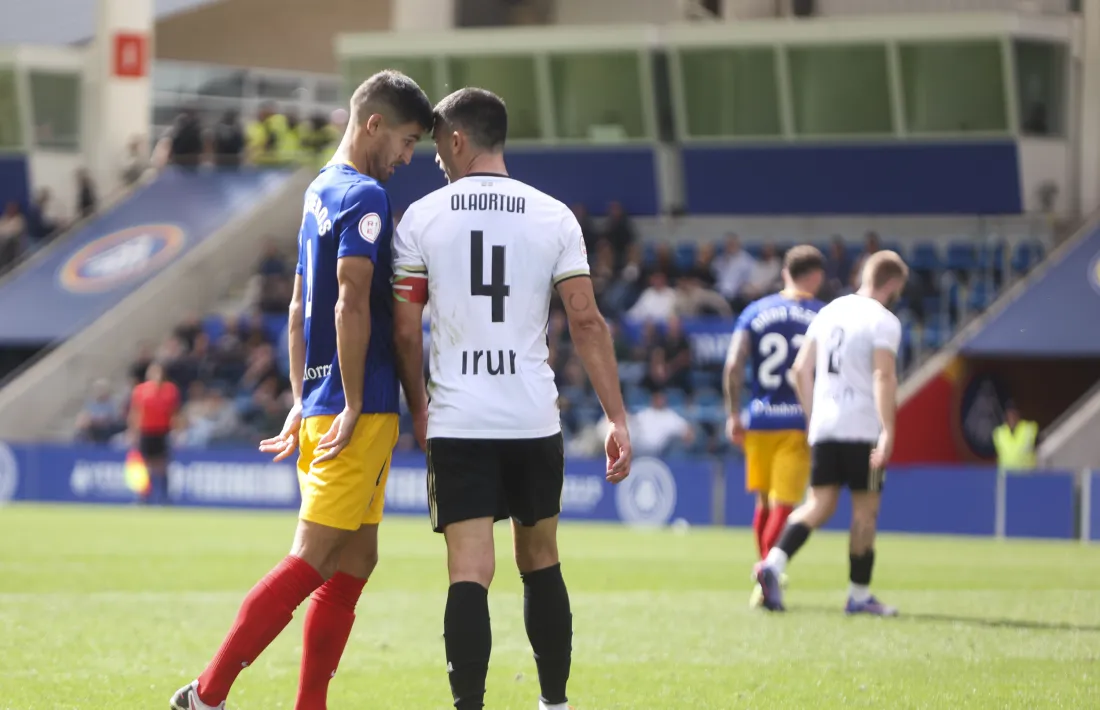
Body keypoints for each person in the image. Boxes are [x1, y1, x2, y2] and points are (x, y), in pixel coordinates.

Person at [170, 70, 433, 710]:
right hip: (357, 406)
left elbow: (296, 308)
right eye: (404, 141)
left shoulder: (320, 190)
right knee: (312, 559)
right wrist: (346, 400)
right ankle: (205, 696)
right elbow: (348, 301)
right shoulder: (366, 196)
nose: (405, 158)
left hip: (326, 401)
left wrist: (300, 396)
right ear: (373, 124)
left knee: (357, 559)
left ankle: (309, 704)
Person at [391, 87, 632, 710]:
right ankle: (554, 703)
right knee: (541, 557)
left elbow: (404, 328)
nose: (436, 156)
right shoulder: (554, 216)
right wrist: (616, 417)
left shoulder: (421, 217)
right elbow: (587, 323)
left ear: (459, 140)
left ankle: (468, 705)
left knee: (469, 569)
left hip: (459, 418)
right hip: (531, 416)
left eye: (439, 143)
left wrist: (419, 405)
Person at [754, 251, 908, 616]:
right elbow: (883, 376)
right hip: (862, 427)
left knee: (818, 504)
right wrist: (888, 431)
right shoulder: (884, 321)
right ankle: (858, 595)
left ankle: (772, 564)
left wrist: (813, 416)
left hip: (825, 425)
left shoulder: (830, 311)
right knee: (865, 512)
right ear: (892, 284)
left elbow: (799, 369)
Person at [723, 245, 825, 606]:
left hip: (759, 418)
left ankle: (764, 577)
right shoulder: (822, 315)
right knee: (786, 505)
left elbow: (734, 364)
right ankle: (769, 572)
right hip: (797, 421)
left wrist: (734, 414)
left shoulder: (755, 310)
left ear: (785, 273)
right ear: (816, 276)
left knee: (764, 503)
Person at [128, 362, 180, 504]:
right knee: (144, 465)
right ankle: (143, 497)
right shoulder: (140, 391)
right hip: (146, 431)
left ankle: (165, 496)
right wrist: (133, 431)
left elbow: (174, 412)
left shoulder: (170, 390)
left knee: (162, 465)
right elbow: (135, 413)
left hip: (162, 431)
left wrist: (176, 431)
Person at [992, 402, 1038, 473]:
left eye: (1014, 414)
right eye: (1009, 414)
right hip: (1007, 476)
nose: (1012, 417)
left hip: (1026, 475)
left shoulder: (1029, 429)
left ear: (1018, 414)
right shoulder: (999, 433)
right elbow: (998, 455)